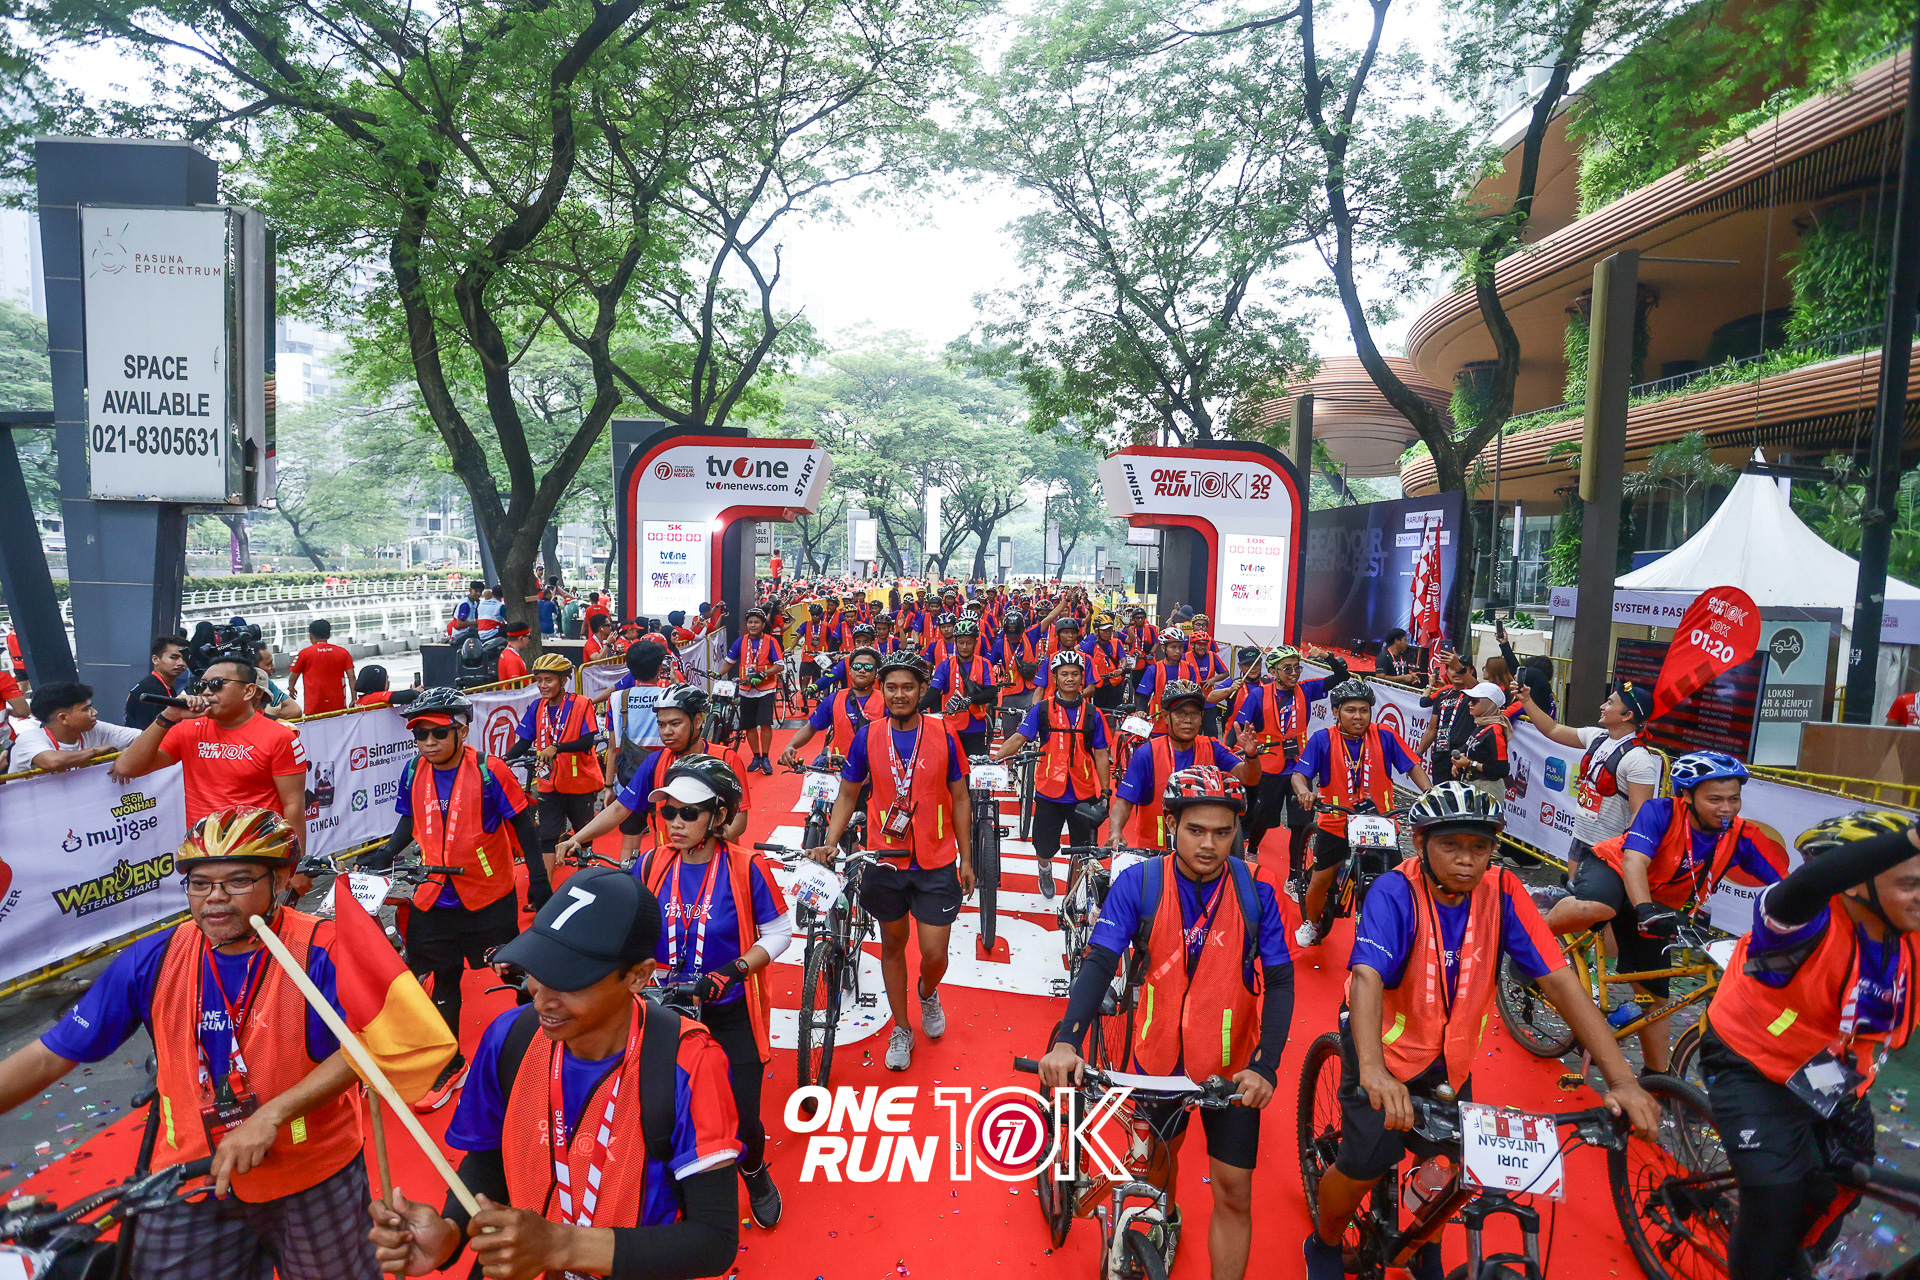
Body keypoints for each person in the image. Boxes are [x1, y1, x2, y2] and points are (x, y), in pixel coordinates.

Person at [0, 808, 380, 1278]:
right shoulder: (154, 957)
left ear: (281, 879)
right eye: (200, 883)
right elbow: (47, 1057)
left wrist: (272, 1115)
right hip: (189, 1173)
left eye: (238, 880)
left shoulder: (326, 950)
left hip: (311, 1169)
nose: (215, 898)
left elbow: (369, 1046)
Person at [1304, 782, 1660, 1280]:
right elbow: (1366, 978)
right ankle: (1323, 1243)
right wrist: (1372, 1071)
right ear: (1420, 842)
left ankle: (1423, 1244)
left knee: (1450, 1165)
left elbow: (1560, 981)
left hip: (1450, 1057)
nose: (1466, 860)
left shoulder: (1504, 890)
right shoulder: (1394, 891)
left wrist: (1622, 1080)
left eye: (1479, 847)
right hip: (1381, 1047)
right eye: (1450, 845)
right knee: (1365, 1161)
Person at [367, 866, 741, 1279]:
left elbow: (714, 1240)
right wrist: (452, 1233)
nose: (541, 997)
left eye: (571, 979)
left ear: (637, 975)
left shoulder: (689, 1062)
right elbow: (488, 1157)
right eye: (538, 969)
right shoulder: (509, 1036)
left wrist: (562, 1246)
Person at [1040, 766, 1292, 1280]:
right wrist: (1068, 1040)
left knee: (1233, 1192)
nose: (1209, 844)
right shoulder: (1140, 884)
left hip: (1231, 1068)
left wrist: (1266, 1064)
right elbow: (1100, 961)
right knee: (1158, 1169)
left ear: (1236, 832)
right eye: (1195, 830)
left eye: (1222, 832)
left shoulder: (1257, 891)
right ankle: (1166, 1217)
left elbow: (1282, 981)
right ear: (1171, 825)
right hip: (1156, 1061)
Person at [1696, 811, 1920, 1280]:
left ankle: (1799, 1261)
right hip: (1750, 1063)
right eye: (1910, 884)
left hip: (1828, 1071)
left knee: (1845, 1183)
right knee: (1774, 1199)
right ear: (1853, 883)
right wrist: (1913, 838)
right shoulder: (1803, 918)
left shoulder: (1908, 935)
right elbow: (1809, 884)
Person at [359, 689, 543, 1113]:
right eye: (420, 734)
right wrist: (388, 851)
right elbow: (409, 819)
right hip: (433, 896)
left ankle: (541, 1049)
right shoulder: (413, 770)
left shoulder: (491, 770)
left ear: (461, 730)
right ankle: (450, 1063)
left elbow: (523, 826)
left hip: (487, 895)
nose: (428, 742)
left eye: (438, 733)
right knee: (440, 977)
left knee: (516, 975)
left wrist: (539, 880)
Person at [1548, 751, 1787, 1072]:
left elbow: (1788, 887)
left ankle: (1656, 1077)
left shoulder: (1742, 835)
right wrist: (1644, 909)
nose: (1727, 808)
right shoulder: (1659, 812)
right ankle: (1532, 936)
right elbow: (1634, 862)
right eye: (1715, 799)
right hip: (1614, 871)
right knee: (1599, 907)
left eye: (1734, 799)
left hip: (1656, 905)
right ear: (1686, 795)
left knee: (1656, 1000)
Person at [635, 758, 790, 1227]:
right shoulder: (651, 863)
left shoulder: (746, 867)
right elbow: (627, 923)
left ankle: (754, 1172)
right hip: (664, 1014)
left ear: (719, 815)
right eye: (668, 812)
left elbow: (779, 932)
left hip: (728, 1012)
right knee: (660, 1112)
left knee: (743, 1117)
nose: (675, 823)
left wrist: (733, 970)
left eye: (689, 813)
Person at [805, 653, 973, 1072]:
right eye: (892, 687)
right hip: (884, 859)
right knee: (893, 945)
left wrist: (967, 858)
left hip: (936, 859)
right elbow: (848, 793)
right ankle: (901, 1027)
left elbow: (960, 797)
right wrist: (829, 843)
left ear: (922, 691)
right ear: (882, 690)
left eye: (908, 687)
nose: (900, 695)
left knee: (934, 953)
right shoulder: (867, 736)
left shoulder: (945, 733)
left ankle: (927, 991)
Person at [1289, 679, 1433, 947]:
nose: (1358, 716)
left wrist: (1429, 793)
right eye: (1350, 710)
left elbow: (1413, 767)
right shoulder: (1322, 739)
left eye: (1364, 710)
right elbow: (1299, 775)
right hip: (1336, 822)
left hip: (1381, 824)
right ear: (1336, 712)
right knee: (1321, 879)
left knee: (1397, 881)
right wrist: (1304, 792)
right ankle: (1311, 922)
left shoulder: (1385, 735)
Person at [118, 653, 310, 853]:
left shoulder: (280, 736)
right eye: (202, 686)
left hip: (259, 853)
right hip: (203, 853)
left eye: (217, 684)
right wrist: (168, 717)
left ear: (248, 691)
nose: (207, 692)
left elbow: (293, 805)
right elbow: (126, 768)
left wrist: (297, 861)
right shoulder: (188, 729)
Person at [563, 688, 752, 860]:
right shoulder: (655, 761)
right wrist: (576, 838)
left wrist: (706, 846)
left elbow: (739, 819)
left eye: (675, 723)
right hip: (669, 863)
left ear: (697, 721)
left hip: (716, 862)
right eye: (661, 725)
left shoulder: (726, 758)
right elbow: (620, 808)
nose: (666, 732)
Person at [996, 650, 1110, 899]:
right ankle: (1045, 870)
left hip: (1083, 792)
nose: (1070, 678)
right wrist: (994, 758)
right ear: (1055, 678)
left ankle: (1076, 894)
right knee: (1044, 847)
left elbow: (1101, 754)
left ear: (1082, 678)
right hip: (1049, 791)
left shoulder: (1093, 713)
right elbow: (1019, 737)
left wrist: (1105, 791)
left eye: (1075, 674)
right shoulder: (1042, 710)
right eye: (1064, 674)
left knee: (1084, 850)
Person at [1234, 645, 1351, 883]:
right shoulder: (1258, 695)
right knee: (1263, 818)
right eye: (1287, 669)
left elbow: (1342, 677)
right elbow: (1238, 728)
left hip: (1300, 766)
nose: (1294, 673)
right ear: (1273, 671)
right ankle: (1253, 848)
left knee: (1301, 823)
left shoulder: (1306, 689)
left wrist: (1327, 656)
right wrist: (1231, 756)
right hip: (1270, 766)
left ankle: (1294, 877)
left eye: (1297, 668)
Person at [1516, 680, 1661, 869]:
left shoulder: (1638, 759)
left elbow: (1639, 813)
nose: (1602, 706)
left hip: (1609, 850)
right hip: (1581, 838)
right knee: (1574, 887)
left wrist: (1627, 857)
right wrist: (1526, 700)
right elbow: (1552, 729)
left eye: (1610, 703)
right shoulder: (1597, 737)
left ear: (1627, 715)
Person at [1109, 682, 1261, 851]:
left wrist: (1251, 755)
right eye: (1180, 714)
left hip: (1203, 852)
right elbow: (1124, 801)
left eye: (1194, 714)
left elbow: (1249, 778)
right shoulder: (1147, 753)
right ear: (1166, 716)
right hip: (1157, 853)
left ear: (1201, 717)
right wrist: (1115, 832)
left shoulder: (1213, 747)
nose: (1188, 720)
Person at [503, 653, 604, 882]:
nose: (542, 685)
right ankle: (545, 889)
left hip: (580, 783)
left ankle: (583, 883)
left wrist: (556, 747)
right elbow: (524, 742)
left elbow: (587, 741)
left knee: (583, 834)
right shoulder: (536, 707)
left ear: (563, 680)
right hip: (549, 784)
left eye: (548, 680)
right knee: (546, 836)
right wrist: (502, 759)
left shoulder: (581, 703)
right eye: (539, 680)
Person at [784, 645, 883, 765]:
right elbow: (811, 728)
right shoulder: (834, 699)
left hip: (874, 767)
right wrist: (791, 745)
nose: (862, 670)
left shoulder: (885, 701)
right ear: (850, 670)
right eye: (857, 666)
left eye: (868, 667)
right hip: (840, 767)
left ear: (876, 673)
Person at [13, 681, 140, 774]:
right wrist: (94, 751)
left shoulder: (93, 728)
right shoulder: (29, 737)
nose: (94, 712)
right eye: (86, 709)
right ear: (63, 718)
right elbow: (51, 761)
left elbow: (142, 737)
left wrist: (126, 756)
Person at [602, 641, 674, 787]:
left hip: (626, 780)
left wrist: (608, 786)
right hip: (662, 776)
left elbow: (612, 747)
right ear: (660, 667)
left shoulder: (616, 698)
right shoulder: (669, 695)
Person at [927, 618, 999, 758]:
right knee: (950, 766)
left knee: (975, 765)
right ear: (955, 643)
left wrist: (972, 700)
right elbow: (933, 692)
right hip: (951, 726)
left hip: (976, 726)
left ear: (975, 643)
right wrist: (916, 708)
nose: (964, 647)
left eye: (968, 643)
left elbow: (991, 691)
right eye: (961, 643)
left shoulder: (984, 664)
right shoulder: (945, 665)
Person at [726, 607, 783, 775]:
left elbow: (779, 665)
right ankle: (756, 756)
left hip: (766, 689)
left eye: (756, 622)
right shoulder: (740, 641)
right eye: (750, 622)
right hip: (746, 689)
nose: (752, 625)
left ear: (763, 624)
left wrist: (764, 674)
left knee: (765, 723)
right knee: (749, 725)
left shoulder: (771, 641)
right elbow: (729, 661)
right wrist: (716, 673)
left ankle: (765, 757)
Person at [1448, 681, 1512, 803]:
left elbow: (1501, 769)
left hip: (1487, 787)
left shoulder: (1495, 730)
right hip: (1473, 784)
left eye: (1474, 700)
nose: (1469, 704)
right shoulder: (1481, 724)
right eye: (1469, 700)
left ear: (1489, 704)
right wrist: (1458, 761)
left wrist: (1470, 763)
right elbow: (1469, 749)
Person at [1416, 651, 1476, 782]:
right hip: (1441, 752)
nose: (1457, 672)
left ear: (1471, 671)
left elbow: (1477, 687)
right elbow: (1431, 729)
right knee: (1439, 791)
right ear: (1447, 672)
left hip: (1463, 755)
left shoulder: (1475, 694)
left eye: (1461, 668)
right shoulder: (1443, 693)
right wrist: (1418, 753)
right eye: (1452, 668)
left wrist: (1458, 667)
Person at [288, 619, 356, 715]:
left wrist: (291, 688)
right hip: (337, 706)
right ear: (329, 635)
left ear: (310, 635)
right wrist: (354, 699)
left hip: (313, 707)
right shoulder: (342, 652)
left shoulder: (304, 653)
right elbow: (352, 677)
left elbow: (293, 676)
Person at [125, 633, 191, 731]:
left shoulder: (167, 687)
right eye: (174, 658)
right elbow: (147, 732)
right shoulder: (148, 689)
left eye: (184, 658)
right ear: (155, 660)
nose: (181, 663)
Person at [252, 643, 304, 721]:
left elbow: (295, 711)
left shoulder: (267, 683)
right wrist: (267, 716)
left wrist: (268, 715)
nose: (273, 667)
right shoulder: (236, 688)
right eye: (268, 664)